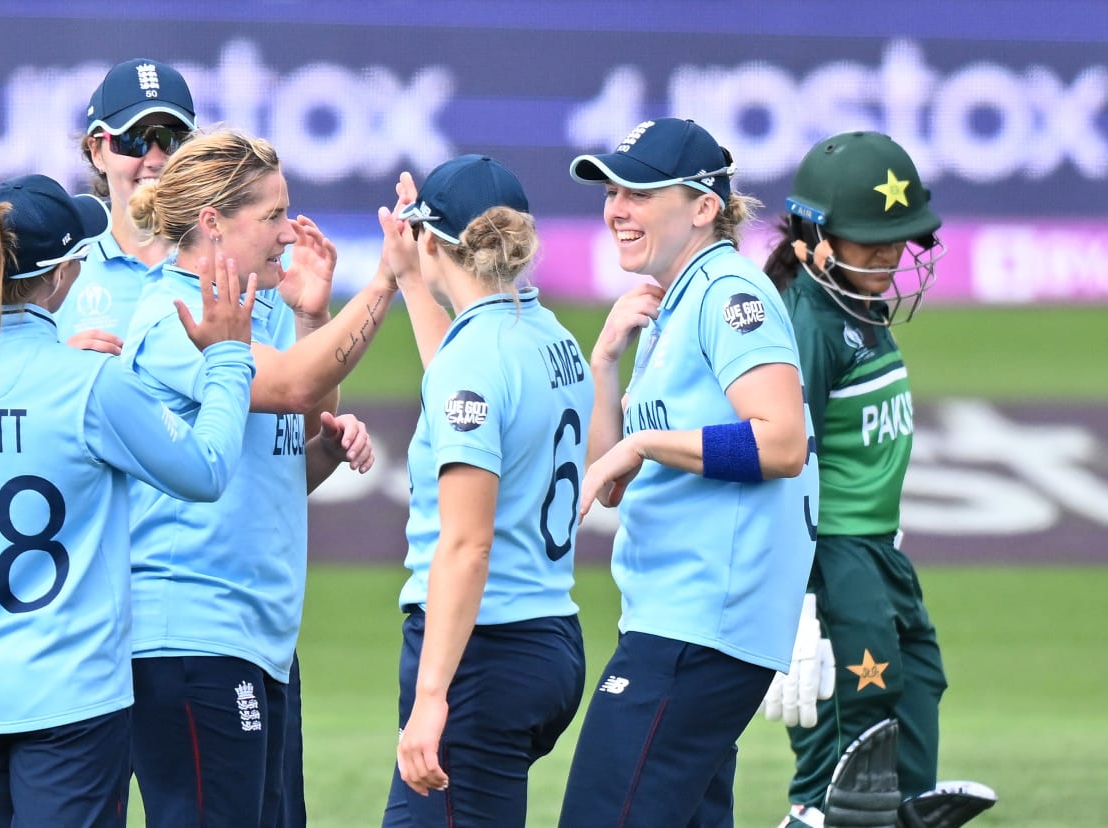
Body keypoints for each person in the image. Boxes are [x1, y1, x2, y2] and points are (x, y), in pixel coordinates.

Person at [0, 174, 260, 828]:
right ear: (59, 277)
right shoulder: (91, 385)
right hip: (69, 700)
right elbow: (207, 469)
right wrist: (228, 360)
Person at [120, 129, 387, 827]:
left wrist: (311, 315)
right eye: (272, 215)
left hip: (257, 638)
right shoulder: (174, 319)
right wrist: (390, 281)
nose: (288, 233)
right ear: (213, 222)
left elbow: (283, 451)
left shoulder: (246, 316)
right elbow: (297, 386)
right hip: (191, 638)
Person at [557, 117, 818, 827]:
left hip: (700, 624)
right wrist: (605, 360)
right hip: (683, 621)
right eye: (612, 191)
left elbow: (780, 443)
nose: (617, 208)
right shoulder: (675, 301)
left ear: (704, 207)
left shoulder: (729, 294)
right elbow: (610, 484)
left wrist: (643, 446)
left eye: (639, 192)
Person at [759, 131, 996, 828]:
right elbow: (782, 457)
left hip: (879, 556)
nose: (891, 255)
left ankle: (901, 811)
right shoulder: (808, 322)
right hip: (829, 557)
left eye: (901, 238)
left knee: (917, 681)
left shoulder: (856, 306)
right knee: (846, 741)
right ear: (815, 236)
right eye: (872, 239)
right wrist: (795, 597)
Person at [382, 156, 592, 826]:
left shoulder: (475, 361)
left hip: (482, 652)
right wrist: (414, 285)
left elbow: (468, 545)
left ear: (436, 241)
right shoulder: (548, 334)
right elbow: (464, 386)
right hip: (549, 637)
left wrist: (432, 694)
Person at [56, 58, 197, 353]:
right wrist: (59, 368)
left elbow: (300, 392)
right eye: (134, 140)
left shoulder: (241, 253)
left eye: (172, 139)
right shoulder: (56, 263)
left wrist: (308, 320)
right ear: (96, 152)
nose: (156, 160)